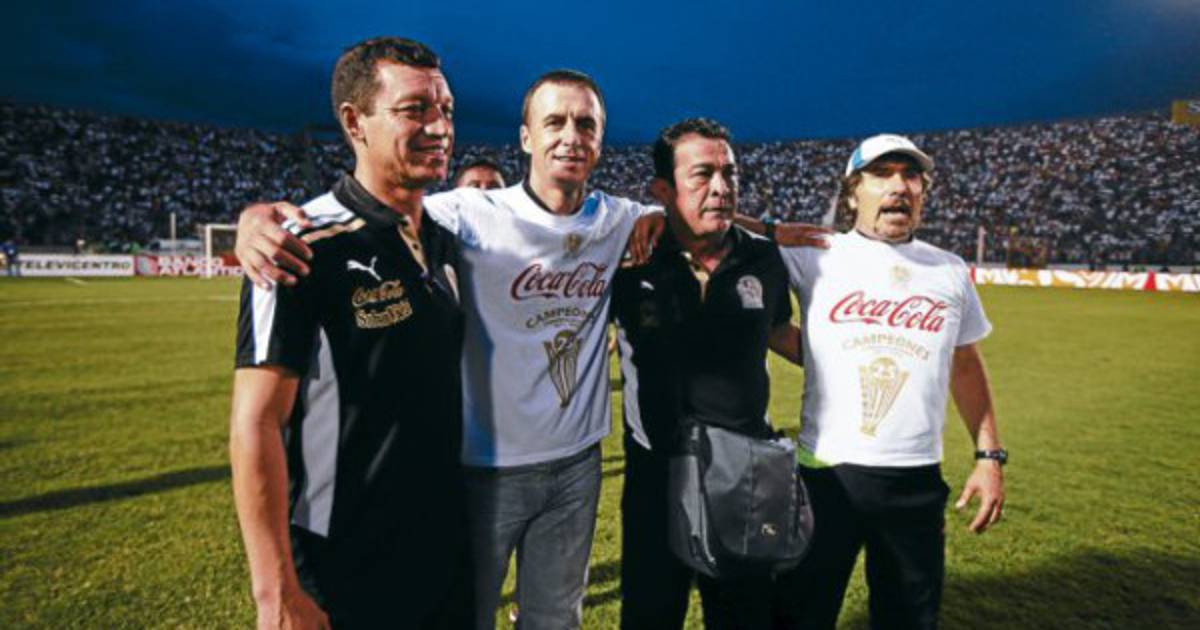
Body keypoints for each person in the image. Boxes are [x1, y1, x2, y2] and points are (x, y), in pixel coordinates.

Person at [235, 69, 663, 630]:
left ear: (602, 139)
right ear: (526, 137)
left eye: (586, 124)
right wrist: (257, 217)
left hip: (577, 464)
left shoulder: (619, 219)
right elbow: (367, 210)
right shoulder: (468, 214)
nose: (571, 136)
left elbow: (702, 221)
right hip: (484, 468)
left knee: (557, 619)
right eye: (554, 122)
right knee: (469, 616)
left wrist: (673, 216)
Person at [229, 36, 473, 629]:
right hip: (344, 562)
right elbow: (256, 422)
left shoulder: (446, 239)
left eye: (445, 109)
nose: (439, 127)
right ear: (354, 121)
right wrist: (275, 593)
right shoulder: (298, 247)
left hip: (446, 549)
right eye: (415, 109)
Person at [767, 134, 1006, 630]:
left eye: (911, 175)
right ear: (853, 193)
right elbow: (725, 254)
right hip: (825, 474)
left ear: (922, 193)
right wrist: (769, 230)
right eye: (882, 174)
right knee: (798, 617)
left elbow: (964, 364)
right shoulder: (813, 253)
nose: (899, 186)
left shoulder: (949, 269)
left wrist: (988, 456)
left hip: (915, 480)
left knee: (909, 620)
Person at [610, 118, 809, 630]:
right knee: (650, 616)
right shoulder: (629, 259)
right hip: (656, 472)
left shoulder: (763, 257)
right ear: (663, 190)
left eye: (730, 173)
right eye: (702, 174)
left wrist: (853, 357)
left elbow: (777, 331)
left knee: (744, 617)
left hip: (743, 472)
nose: (721, 187)